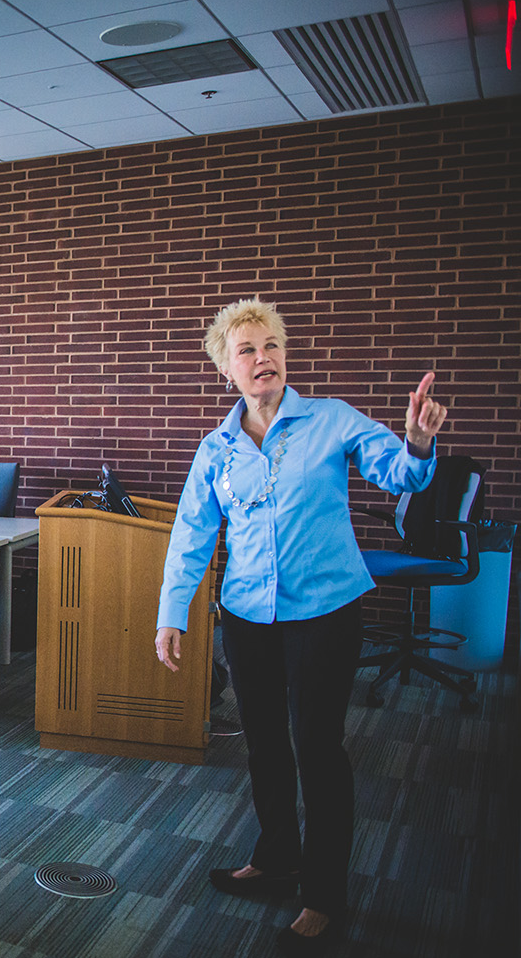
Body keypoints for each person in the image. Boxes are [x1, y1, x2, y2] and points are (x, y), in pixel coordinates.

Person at [154, 298, 444, 953]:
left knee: (317, 748)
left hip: (327, 612)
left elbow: (398, 472)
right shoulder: (218, 448)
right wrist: (172, 613)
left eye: (272, 346)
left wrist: (418, 443)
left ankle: (323, 892)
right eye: (248, 350)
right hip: (249, 616)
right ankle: (277, 856)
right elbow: (192, 533)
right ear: (226, 370)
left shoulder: (329, 420)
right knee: (264, 746)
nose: (264, 359)